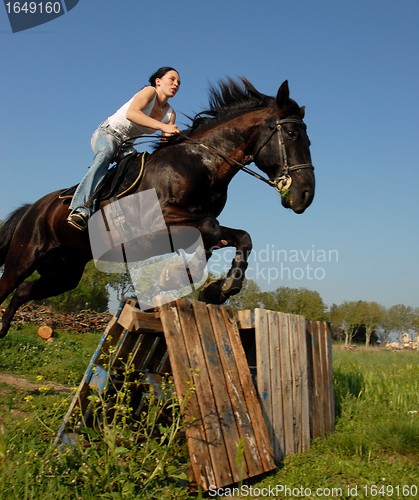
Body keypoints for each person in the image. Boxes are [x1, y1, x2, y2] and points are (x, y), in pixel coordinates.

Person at [67, 67, 181, 231]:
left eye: (178, 82)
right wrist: (164, 126)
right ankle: (80, 209)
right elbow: (132, 114)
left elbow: (164, 144)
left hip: (127, 146)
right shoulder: (149, 92)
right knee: (105, 155)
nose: (176, 84)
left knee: (140, 169)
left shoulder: (170, 114)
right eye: (172, 79)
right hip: (107, 133)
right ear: (158, 81)